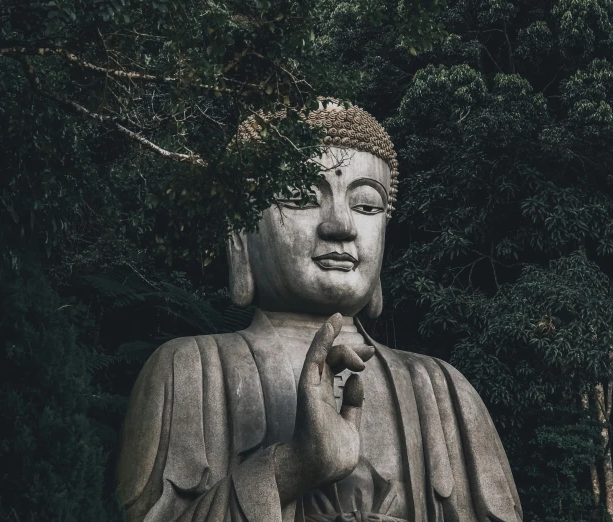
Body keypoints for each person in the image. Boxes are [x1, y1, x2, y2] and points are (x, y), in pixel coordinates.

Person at [116, 99, 523, 522]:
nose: (341, 226)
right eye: (299, 196)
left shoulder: (443, 392)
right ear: (240, 234)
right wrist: (294, 466)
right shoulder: (189, 372)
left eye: (367, 205)